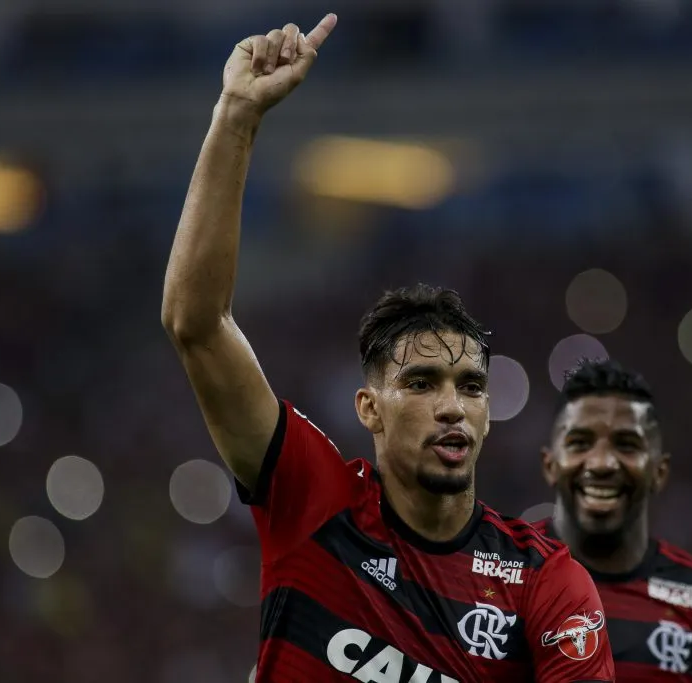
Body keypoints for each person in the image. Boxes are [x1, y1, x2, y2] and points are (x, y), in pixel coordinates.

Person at [160, 15, 614, 683]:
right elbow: (195, 322)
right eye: (423, 383)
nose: (453, 406)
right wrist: (237, 116)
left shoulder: (542, 581)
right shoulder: (313, 500)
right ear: (369, 408)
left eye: (471, 386)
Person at [534, 359, 692, 682]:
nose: (601, 463)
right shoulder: (495, 580)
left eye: (627, 445)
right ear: (550, 465)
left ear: (660, 471)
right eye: (580, 443)